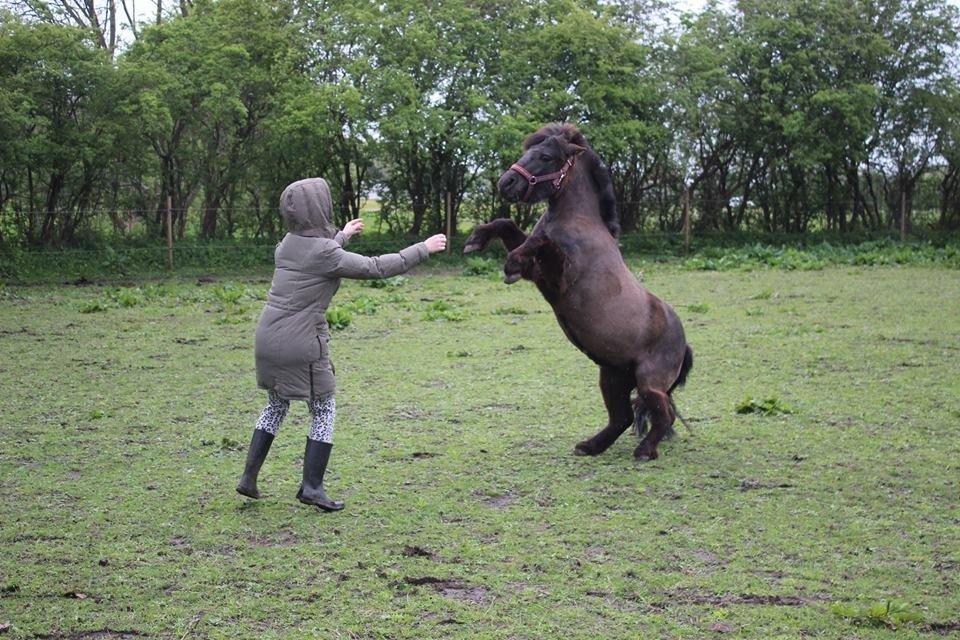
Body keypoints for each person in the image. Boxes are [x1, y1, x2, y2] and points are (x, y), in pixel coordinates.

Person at [236, 177, 447, 511]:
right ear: (320, 209)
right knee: (323, 408)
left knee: (276, 404)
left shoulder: (286, 244)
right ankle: (312, 487)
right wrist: (423, 248)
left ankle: (248, 478)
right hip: (301, 342)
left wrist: (343, 236)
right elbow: (374, 267)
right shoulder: (325, 253)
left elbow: (319, 255)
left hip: (267, 337)